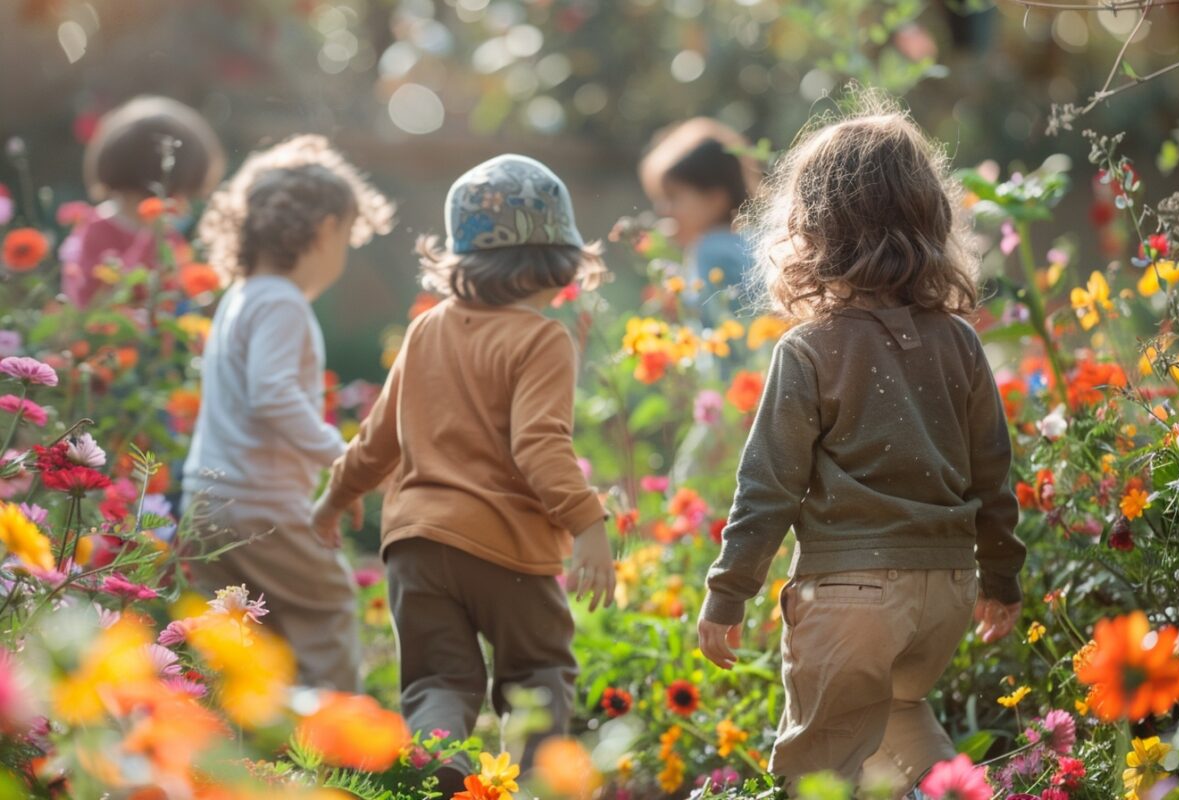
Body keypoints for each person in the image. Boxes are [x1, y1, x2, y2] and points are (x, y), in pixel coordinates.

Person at [696, 96, 1026, 799]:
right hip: (943, 589)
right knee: (902, 716)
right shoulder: (959, 342)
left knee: (820, 763)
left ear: (812, 228)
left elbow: (768, 488)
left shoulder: (811, 348)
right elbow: (994, 472)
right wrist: (1001, 576)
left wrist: (729, 594)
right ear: (931, 220)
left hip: (851, 597)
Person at [312, 154, 614, 787]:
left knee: (438, 681)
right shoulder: (541, 340)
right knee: (537, 675)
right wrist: (590, 524)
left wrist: (335, 498)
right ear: (559, 258)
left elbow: (377, 439)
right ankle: (532, 783)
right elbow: (539, 447)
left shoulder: (424, 332)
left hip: (416, 548)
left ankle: (439, 770)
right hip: (508, 551)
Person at [183, 135, 394, 691]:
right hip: (262, 509)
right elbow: (272, 395)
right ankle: (334, 759)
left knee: (250, 646)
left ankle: (255, 759)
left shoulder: (241, 296)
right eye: (348, 236)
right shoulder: (282, 302)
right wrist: (346, 459)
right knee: (326, 607)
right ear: (325, 230)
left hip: (206, 505)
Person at [63, 95, 226, 307]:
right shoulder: (96, 232)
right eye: (175, 196)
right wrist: (150, 240)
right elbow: (91, 303)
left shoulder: (170, 237)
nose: (180, 207)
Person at [638, 117, 760, 317]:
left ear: (715, 198)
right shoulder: (748, 241)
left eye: (672, 197)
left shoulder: (711, 250)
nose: (663, 210)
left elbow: (720, 331)